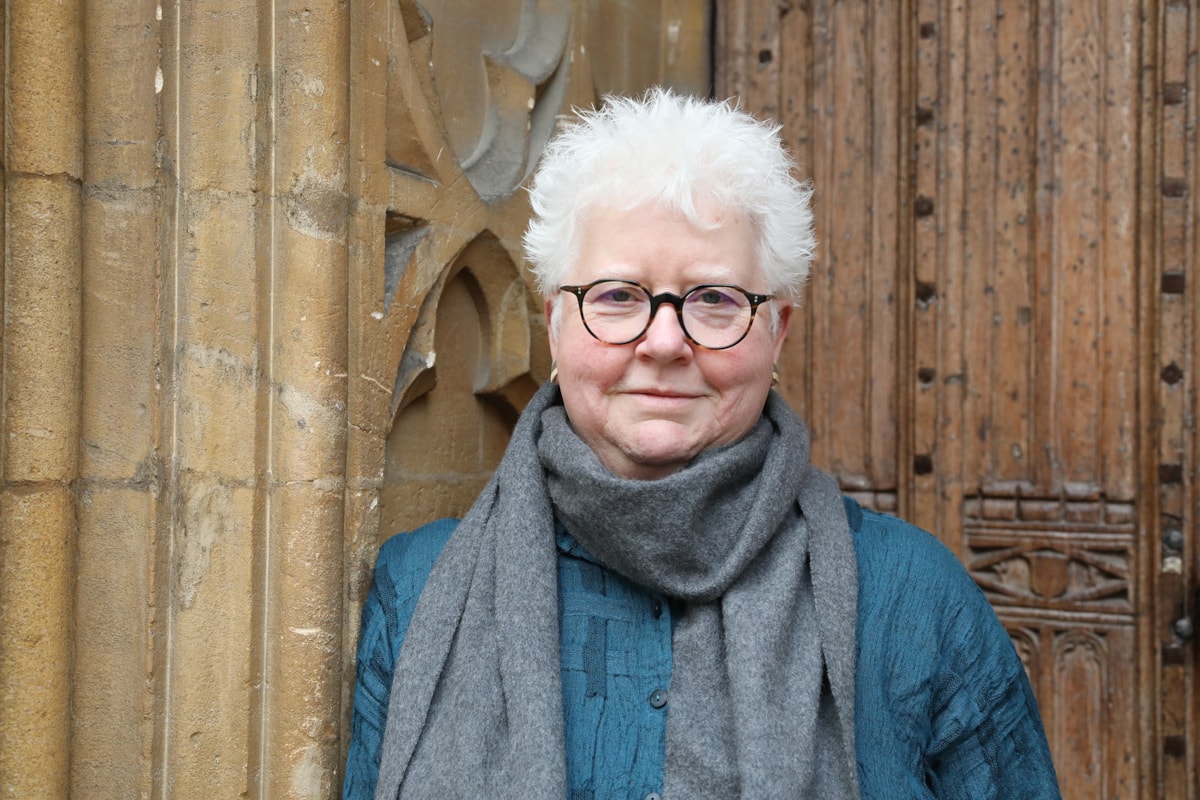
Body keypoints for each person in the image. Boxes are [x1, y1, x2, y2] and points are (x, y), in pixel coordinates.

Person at [344, 88, 1061, 799]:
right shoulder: (417, 590)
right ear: (556, 324)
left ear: (776, 332)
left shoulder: (915, 601)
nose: (664, 342)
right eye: (618, 295)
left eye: (714, 300)